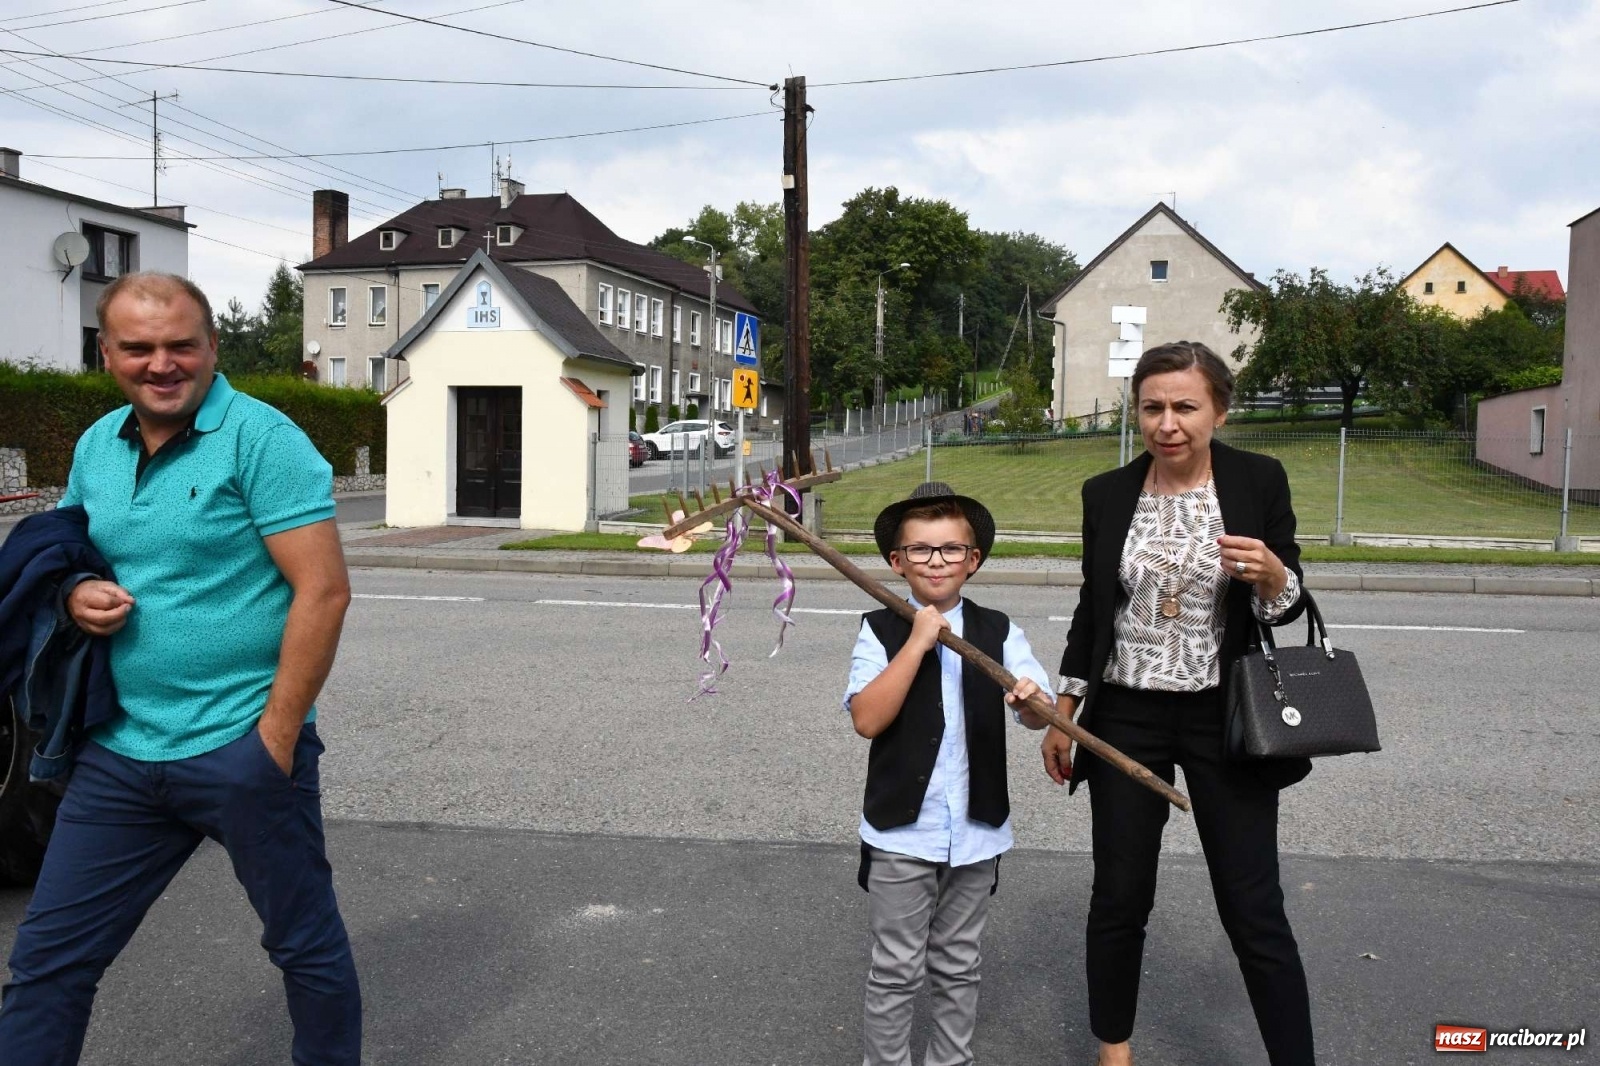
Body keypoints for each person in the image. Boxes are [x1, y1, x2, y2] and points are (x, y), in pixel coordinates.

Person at [0, 273, 362, 1064]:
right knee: (48, 961)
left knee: (303, 947)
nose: (161, 364)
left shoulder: (261, 439)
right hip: (120, 754)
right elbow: (78, 552)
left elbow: (324, 592)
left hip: (241, 746)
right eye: (138, 347)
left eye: (180, 346)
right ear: (106, 354)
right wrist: (74, 593)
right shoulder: (97, 444)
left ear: (211, 347)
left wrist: (272, 741)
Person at [1043, 341, 1315, 1066]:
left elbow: (1288, 606)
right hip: (1125, 715)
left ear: (1219, 411)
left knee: (1253, 907)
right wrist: (1066, 707)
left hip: (1224, 716)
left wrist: (1272, 573)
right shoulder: (1107, 493)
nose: (1167, 424)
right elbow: (1093, 607)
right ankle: (1114, 1051)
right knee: (1120, 897)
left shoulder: (1257, 480)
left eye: (1185, 407)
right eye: (1152, 407)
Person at [844, 481, 1055, 1066]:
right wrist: (917, 642)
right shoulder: (879, 629)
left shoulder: (999, 630)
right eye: (920, 549)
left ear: (973, 559)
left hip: (976, 830)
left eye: (951, 549)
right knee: (895, 969)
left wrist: (1034, 702)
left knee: (960, 964)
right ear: (897, 561)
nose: (936, 560)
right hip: (901, 833)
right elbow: (867, 719)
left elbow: (1039, 715)